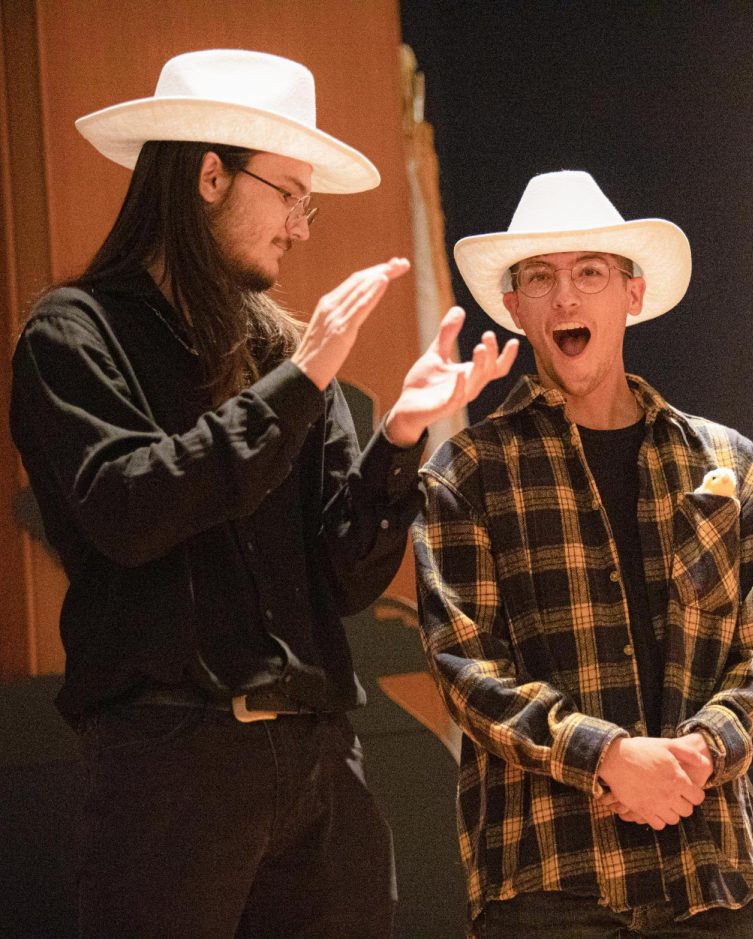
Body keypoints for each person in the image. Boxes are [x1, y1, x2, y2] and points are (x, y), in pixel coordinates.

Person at [8, 49, 516, 937]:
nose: (302, 227)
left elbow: (344, 577)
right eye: (290, 194)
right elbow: (132, 510)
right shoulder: (74, 331)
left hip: (319, 757)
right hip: (169, 762)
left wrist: (399, 438)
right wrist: (307, 374)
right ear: (210, 174)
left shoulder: (287, 350)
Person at [412, 170, 753, 937]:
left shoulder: (729, 462)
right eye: (540, 277)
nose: (565, 297)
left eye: (589, 272)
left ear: (631, 293)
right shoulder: (466, 473)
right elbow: (463, 668)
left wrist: (699, 751)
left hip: (707, 876)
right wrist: (609, 756)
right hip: (549, 880)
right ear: (517, 306)